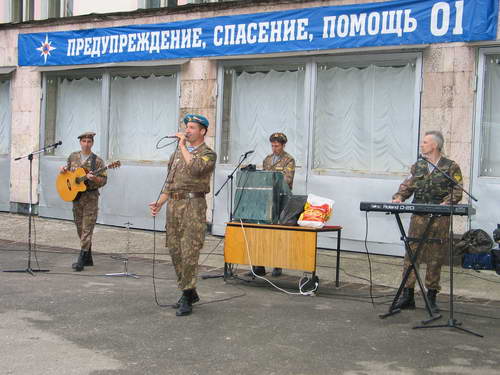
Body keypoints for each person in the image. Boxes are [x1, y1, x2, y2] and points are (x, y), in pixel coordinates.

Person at [149, 114, 216, 317]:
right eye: (186, 127)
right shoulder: (177, 154)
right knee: (175, 249)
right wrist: (159, 202)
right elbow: (169, 182)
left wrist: (183, 146)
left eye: (192, 128)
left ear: (202, 131)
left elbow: (196, 169)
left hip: (193, 205)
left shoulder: (208, 154)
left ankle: (186, 295)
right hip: (174, 205)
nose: (187, 131)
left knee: (189, 251)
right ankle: (189, 290)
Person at [392, 130, 463, 313]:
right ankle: (407, 295)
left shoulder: (450, 167)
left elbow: (457, 190)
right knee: (411, 256)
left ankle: (431, 296)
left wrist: (447, 202)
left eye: (425, 142)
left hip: (440, 219)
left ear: (435, 145)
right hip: (419, 217)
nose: (422, 145)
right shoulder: (418, 166)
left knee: (435, 257)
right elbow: (407, 185)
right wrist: (399, 197)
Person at [250, 132, 296, 278]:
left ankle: (278, 265)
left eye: (277, 146)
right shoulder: (267, 159)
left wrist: (271, 180)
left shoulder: (289, 160)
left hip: (281, 199)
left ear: (283, 145)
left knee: (278, 234)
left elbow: (287, 180)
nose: (274, 148)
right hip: (267, 200)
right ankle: (259, 265)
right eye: (272, 145)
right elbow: (263, 177)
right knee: (263, 232)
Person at [60, 132, 107, 272]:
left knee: (87, 228)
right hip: (76, 197)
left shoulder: (97, 161)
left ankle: (81, 260)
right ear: (80, 142)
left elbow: (104, 180)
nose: (86, 144)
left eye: (89, 141)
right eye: (84, 141)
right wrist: (63, 170)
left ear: (92, 143)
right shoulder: (73, 156)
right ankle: (88, 257)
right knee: (79, 227)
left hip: (90, 198)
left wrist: (94, 179)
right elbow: (68, 173)